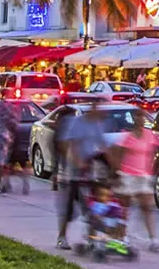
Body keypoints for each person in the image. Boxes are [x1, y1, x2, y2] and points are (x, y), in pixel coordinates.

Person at [56, 101, 114, 250]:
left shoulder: (97, 125)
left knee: (93, 206)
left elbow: (103, 146)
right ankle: (62, 237)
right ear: (92, 110)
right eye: (98, 110)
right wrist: (79, 162)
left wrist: (111, 166)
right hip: (75, 172)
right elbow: (72, 145)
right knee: (70, 208)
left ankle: (91, 238)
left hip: (90, 171)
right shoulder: (79, 123)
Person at [111, 108, 159, 250]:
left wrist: (152, 169)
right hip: (128, 174)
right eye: (137, 117)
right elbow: (119, 154)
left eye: (141, 117)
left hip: (143, 175)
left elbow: (155, 152)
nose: (140, 120)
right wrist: (118, 172)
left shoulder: (149, 135)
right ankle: (123, 236)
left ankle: (153, 239)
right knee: (125, 207)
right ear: (134, 120)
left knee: (147, 207)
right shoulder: (127, 136)